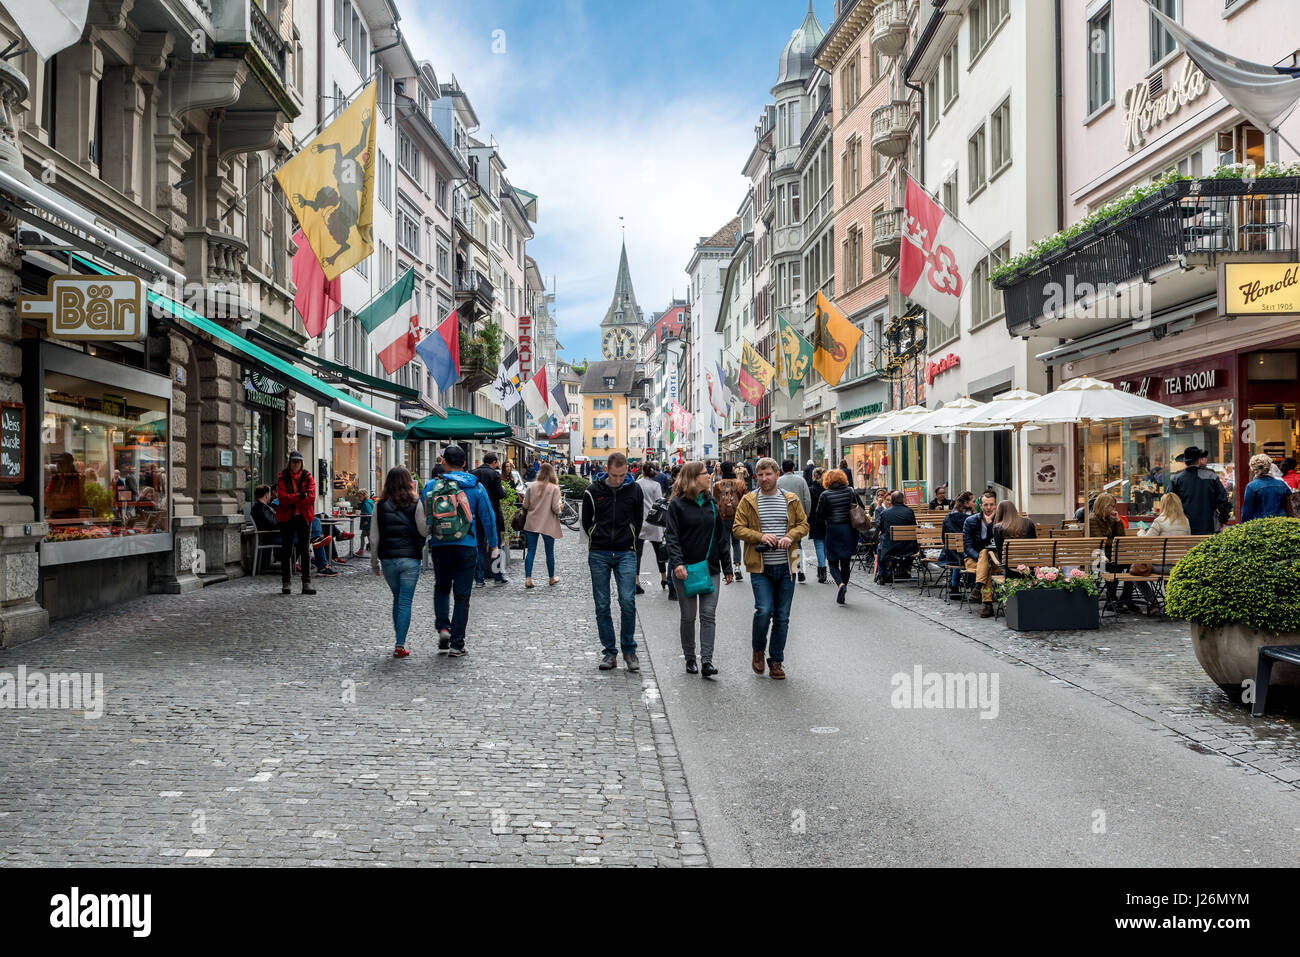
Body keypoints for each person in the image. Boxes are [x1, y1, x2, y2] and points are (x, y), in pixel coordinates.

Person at [731, 457, 809, 680]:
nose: (765, 479)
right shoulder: (749, 500)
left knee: (782, 617)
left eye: (769, 474)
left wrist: (789, 536)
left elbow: (803, 525)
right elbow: (737, 529)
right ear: (756, 477)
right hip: (760, 566)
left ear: (777, 475)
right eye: (761, 475)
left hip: (788, 565)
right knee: (764, 610)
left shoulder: (791, 499)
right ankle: (758, 649)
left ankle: (776, 661)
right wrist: (760, 536)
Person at [421, 444, 499, 657]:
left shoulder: (431, 486)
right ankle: (457, 644)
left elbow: (421, 518)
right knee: (462, 596)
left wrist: (420, 544)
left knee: (441, 588)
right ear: (464, 464)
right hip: (466, 546)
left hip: (439, 545)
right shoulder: (475, 486)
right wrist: (493, 544)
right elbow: (488, 517)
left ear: (443, 462)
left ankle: (443, 628)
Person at [665, 461, 733, 678]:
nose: (710, 476)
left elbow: (722, 538)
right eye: (705, 473)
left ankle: (707, 661)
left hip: (710, 567)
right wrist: (677, 563)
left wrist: (728, 566)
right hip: (685, 569)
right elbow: (672, 537)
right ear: (693, 478)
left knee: (708, 614)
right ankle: (690, 658)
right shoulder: (677, 505)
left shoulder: (711, 503)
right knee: (688, 616)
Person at [580, 451, 644, 672]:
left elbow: (638, 519)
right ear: (606, 470)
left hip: (626, 551)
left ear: (627, 470)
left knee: (627, 601)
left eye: (623, 475)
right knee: (602, 604)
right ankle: (609, 652)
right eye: (615, 475)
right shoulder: (592, 491)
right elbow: (586, 521)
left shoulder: (634, 489)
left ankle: (629, 650)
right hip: (599, 552)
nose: (619, 480)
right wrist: (596, 534)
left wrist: (631, 537)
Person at [370, 466, 429, 658]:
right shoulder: (415, 502)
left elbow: (374, 537)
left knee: (397, 598)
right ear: (408, 482)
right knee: (404, 602)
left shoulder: (379, 505)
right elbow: (423, 531)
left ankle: (399, 641)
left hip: (388, 559)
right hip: (410, 558)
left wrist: (374, 563)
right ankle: (400, 644)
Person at [1088, 492, 1149, 614]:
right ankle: (1112, 600)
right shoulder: (1092, 519)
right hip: (1099, 557)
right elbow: (1101, 543)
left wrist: (1117, 521)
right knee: (1113, 566)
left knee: (1134, 566)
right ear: (1103, 505)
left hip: (1113, 554)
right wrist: (1115, 541)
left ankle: (1126, 599)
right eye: (1111, 506)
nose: (1113, 509)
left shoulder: (1109, 518)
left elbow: (1121, 537)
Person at [816, 469, 862, 604]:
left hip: (833, 529)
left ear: (827, 480)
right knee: (846, 561)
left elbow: (819, 514)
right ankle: (845, 585)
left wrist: (828, 517)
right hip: (848, 530)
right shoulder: (850, 491)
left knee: (832, 561)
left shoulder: (825, 494)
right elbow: (861, 507)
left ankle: (840, 584)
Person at [275, 451, 317, 595]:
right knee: (286, 550)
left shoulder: (308, 477)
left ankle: (306, 583)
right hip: (287, 518)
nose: (295, 464)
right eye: (293, 462)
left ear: (301, 463)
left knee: (305, 550)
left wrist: (294, 498)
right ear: (290, 462)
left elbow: (311, 498)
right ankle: (286, 582)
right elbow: (282, 498)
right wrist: (300, 495)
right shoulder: (283, 477)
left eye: (298, 462)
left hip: (304, 517)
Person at [1170, 445, 1230, 534]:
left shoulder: (1176, 478)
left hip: (1184, 527)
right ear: (1199, 460)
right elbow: (1223, 501)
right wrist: (1222, 520)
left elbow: (1169, 502)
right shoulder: (1211, 476)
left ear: (1185, 461)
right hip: (1209, 526)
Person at [521, 462, 564, 588]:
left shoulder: (531, 486)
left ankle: (528, 578)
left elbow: (525, 505)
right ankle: (551, 578)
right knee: (549, 552)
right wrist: (560, 507)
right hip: (548, 523)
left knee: (531, 551)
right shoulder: (554, 488)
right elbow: (556, 509)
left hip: (532, 522)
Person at [473, 452, 509, 586]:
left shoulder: (473, 473)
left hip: (476, 514)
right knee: (496, 545)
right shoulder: (494, 474)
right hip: (492, 513)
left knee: (478, 546)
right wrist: (504, 490)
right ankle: (498, 576)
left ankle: (479, 578)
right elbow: (500, 494)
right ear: (494, 462)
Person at [962, 490, 1000, 614]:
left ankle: (979, 590)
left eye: (991, 504)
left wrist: (990, 525)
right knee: (984, 558)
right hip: (973, 559)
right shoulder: (970, 521)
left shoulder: (1001, 521)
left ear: (996, 505)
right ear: (981, 505)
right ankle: (987, 603)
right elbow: (967, 546)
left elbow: (999, 544)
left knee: (986, 559)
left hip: (996, 560)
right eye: (986, 505)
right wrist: (980, 558)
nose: (989, 508)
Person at [635, 463, 669, 596]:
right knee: (659, 551)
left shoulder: (637, 484)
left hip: (641, 521)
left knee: (638, 554)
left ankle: (637, 581)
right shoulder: (656, 486)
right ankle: (664, 578)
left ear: (643, 471)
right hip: (654, 522)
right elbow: (660, 503)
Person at [712, 461, 748, 583]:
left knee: (725, 542)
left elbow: (715, 500)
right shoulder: (740, 483)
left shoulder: (717, 485)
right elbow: (746, 500)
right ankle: (737, 566)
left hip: (722, 517)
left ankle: (729, 570)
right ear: (732, 470)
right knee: (736, 542)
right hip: (737, 516)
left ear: (721, 470)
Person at [777, 459, 812, 583]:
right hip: (798, 517)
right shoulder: (801, 480)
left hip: (781, 517)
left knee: (783, 542)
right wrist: (806, 515)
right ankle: (799, 568)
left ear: (782, 469)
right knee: (797, 543)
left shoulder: (778, 481)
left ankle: (787, 568)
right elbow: (807, 499)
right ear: (793, 468)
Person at [875, 490, 918, 584]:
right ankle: (904, 571)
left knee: (879, 547)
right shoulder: (909, 512)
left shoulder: (885, 513)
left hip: (890, 548)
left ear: (892, 500)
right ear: (903, 500)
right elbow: (914, 527)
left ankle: (881, 574)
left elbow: (881, 528)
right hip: (908, 547)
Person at [942, 491, 976, 598]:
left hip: (949, 554)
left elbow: (944, 537)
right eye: (973, 501)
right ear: (966, 503)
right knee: (974, 556)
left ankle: (954, 586)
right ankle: (975, 587)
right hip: (965, 555)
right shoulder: (970, 519)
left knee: (960, 555)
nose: (976, 504)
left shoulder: (948, 516)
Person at [1241, 452, 1293, 521]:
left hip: (1260, 524)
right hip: (1281, 524)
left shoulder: (1251, 486)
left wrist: (1243, 527)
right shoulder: (1282, 484)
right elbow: (1289, 504)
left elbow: (1247, 511)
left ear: (1253, 469)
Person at [807, 467, 828, 583]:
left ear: (814, 476)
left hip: (815, 520)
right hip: (828, 520)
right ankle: (822, 567)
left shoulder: (810, 490)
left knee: (819, 546)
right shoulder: (828, 489)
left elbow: (809, 506)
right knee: (824, 546)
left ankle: (822, 570)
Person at [355, 489, 374, 556]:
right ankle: (370, 547)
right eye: (358, 496)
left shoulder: (366, 503)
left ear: (364, 496)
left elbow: (369, 513)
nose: (358, 498)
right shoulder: (366, 502)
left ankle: (362, 549)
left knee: (364, 536)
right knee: (368, 536)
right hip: (369, 523)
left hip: (368, 523)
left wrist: (366, 520)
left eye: (360, 496)